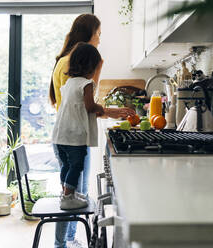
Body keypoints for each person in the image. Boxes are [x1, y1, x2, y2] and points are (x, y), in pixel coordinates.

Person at [52, 42, 135, 248]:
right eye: (98, 67)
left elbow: (80, 107)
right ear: (91, 66)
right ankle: (68, 197)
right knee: (77, 166)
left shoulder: (69, 82)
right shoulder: (86, 84)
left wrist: (108, 111)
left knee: (66, 166)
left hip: (60, 136)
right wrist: (110, 111)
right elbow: (90, 107)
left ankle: (66, 193)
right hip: (74, 137)